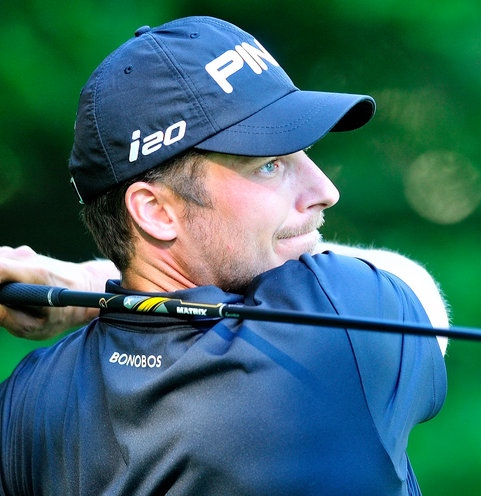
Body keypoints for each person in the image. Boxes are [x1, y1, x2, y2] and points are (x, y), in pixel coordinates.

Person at [0, 16, 448, 496]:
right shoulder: (337, 326)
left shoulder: (23, 404)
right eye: (270, 165)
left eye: (305, 153)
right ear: (155, 212)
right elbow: (415, 288)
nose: (325, 190)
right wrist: (82, 285)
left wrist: (93, 288)